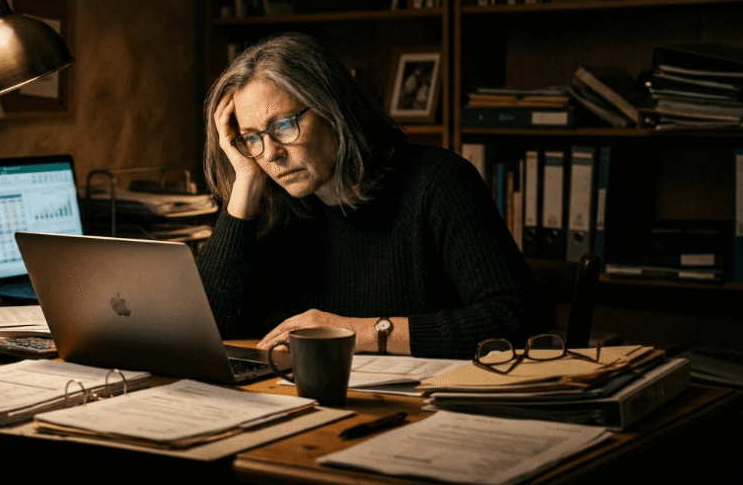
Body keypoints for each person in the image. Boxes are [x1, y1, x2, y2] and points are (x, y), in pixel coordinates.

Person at [197, 32, 533, 360]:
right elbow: (214, 328)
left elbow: (515, 318)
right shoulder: (280, 206)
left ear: (333, 110)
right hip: (328, 396)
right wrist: (245, 180)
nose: (270, 154)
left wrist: (361, 332)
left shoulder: (438, 181)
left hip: (440, 399)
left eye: (283, 126)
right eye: (251, 138)